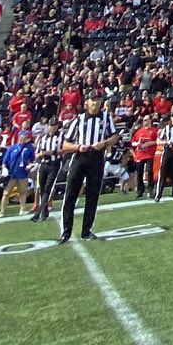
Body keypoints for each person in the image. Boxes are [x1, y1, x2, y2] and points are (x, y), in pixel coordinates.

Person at [59, 96, 116, 243]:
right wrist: (78, 147)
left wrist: (104, 143)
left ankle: (87, 230)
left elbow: (115, 136)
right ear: (87, 103)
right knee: (70, 194)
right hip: (80, 157)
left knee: (92, 196)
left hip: (97, 158)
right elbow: (65, 144)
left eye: (98, 100)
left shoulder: (106, 117)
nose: (95, 103)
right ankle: (66, 232)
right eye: (93, 100)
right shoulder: (79, 119)